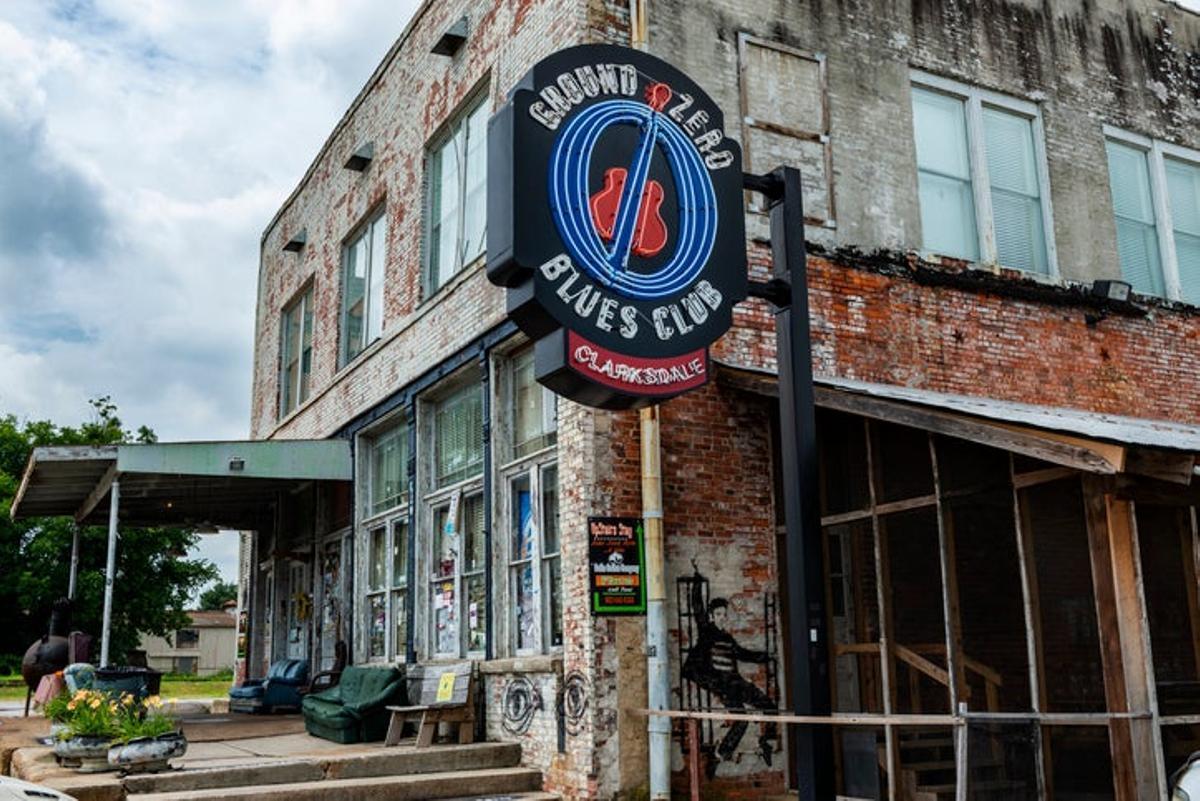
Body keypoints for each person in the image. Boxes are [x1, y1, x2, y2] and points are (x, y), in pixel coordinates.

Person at [681, 563, 778, 776]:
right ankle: (719, 755)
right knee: (741, 718)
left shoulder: (727, 638)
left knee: (769, 705)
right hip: (721, 682)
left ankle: (766, 741)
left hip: (734, 681)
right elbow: (697, 608)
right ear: (712, 616)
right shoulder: (707, 631)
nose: (724, 618)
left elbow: (743, 654)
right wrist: (697, 579)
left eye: (725, 615)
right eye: (719, 615)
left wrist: (766, 657)